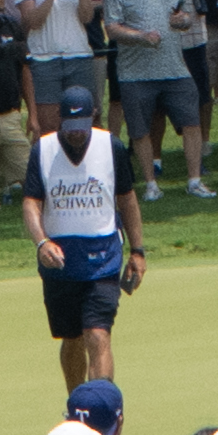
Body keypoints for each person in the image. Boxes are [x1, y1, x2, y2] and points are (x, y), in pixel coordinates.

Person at [22, 75, 143, 395]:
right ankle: (77, 407)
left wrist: (138, 250)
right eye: (70, 124)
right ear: (60, 121)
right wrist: (41, 242)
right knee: (72, 339)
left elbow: (127, 199)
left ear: (94, 118)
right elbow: (31, 204)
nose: (76, 132)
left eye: (82, 124)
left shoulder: (111, 146)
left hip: (103, 257)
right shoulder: (43, 150)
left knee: (97, 334)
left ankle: (101, 409)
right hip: (59, 263)